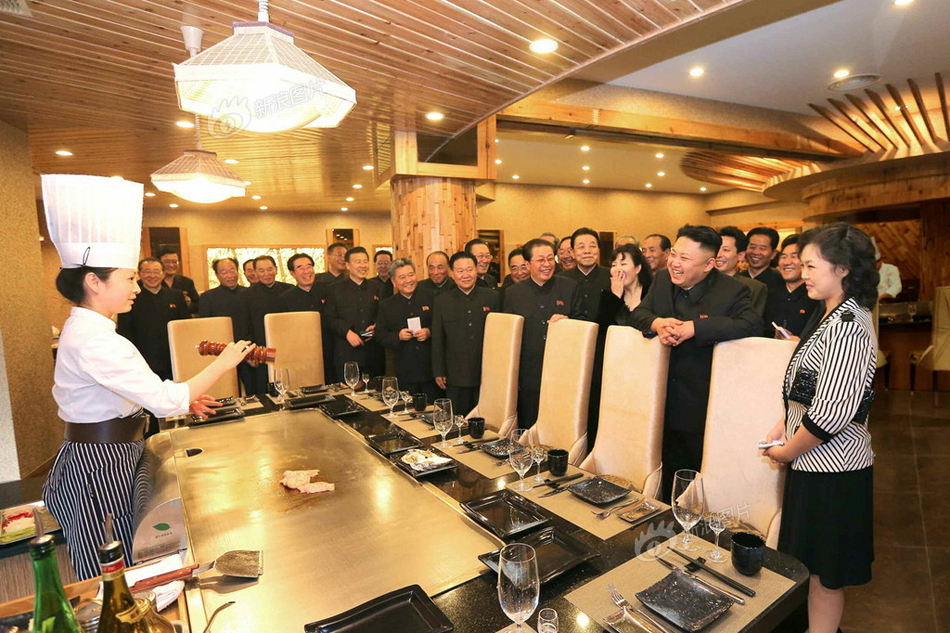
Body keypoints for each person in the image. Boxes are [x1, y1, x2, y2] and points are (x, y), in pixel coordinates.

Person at [40, 174, 253, 580]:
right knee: (109, 569)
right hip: (99, 464)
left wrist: (184, 398)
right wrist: (224, 362)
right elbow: (164, 401)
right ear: (93, 281)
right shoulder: (94, 338)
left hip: (113, 452)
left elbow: (127, 394)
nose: (136, 287)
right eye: (129, 278)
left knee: (126, 552)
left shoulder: (94, 329)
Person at [763, 223, 878, 633]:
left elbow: (831, 413)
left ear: (843, 269)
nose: (803, 273)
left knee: (826, 575)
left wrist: (785, 451)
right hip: (812, 463)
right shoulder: (828, 312)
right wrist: (784, 424)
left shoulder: (848, 325)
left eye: (812, 266)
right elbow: (809, 388)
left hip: (834, 471)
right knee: (810, 568)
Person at [630, 225, 762, 499]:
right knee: (661, 468)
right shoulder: (662, 279)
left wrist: (696, 328)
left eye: (685, 258)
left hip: (700, 401)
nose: (675, 263)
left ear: (709, 264)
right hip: (659, 396)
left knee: (696, 476)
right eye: (674, 254)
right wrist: (657, 323)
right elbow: (640, 313)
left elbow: (751, 324)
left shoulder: (732, 290)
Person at [503, 238, 584, 428]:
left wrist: (568, 322)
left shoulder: (569, 287)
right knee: (529, 425)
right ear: (528, 264)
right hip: (528, 373)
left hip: (562, 371)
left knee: (561, 425)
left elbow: (583, 323)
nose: (547, 264)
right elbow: (508, 337)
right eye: (540, 260)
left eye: (550, 258)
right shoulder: (513, 293)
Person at [587, 244, 651, 448]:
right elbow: (600, 331)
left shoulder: (652, 293)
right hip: (614, 370)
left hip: (645, 370)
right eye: (614, 264)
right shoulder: (609, 296)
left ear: (638, 268)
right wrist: (615, 295)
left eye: (623, 263)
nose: (617, 269)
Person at [432, 252, 501, 417]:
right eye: (460, 271)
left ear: (476, 270)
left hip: (486, 373)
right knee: (458, 419)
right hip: (455, 374)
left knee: (487, 420)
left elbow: (500, 337)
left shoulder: (492, 297)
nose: (465, 275)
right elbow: (438, 339)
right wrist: (438, 370)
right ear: (452, 273)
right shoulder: (442, 300)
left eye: (469, 270)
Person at [116, 257, 191, 380]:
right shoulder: (130, 298)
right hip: (142, 363)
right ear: (140, 274)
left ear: (163, 274)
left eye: (156, 272)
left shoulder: (176, 296)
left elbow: (185, 328)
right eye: (147, 271)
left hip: (173, 360)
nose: (152, 276)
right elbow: (125, 332)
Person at [375, 258, 437, 400]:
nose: (408, 280)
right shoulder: (387, 305)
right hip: (404, 371)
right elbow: (380, 335)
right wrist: (398, 336)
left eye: (411, 275)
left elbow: (442, 327)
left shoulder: (432, 298)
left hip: (431, 370)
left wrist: (429, 332)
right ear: (394, 281)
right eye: (402, 277)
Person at [324, 246, 384, 379]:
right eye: (358, 262)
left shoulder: (377, 287)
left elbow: (383, 314)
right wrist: (347, 332)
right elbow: (329, 318)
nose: (363, 265)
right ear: (348, 265)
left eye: (365, 261)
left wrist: (376, 326)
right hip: (346, 352)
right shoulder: (334, 289)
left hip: (372, 352)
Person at [241, 255, 294, 394]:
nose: (266, 274)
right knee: (264, 389)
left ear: (276, 269)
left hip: (286, 347)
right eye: (261, 270)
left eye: (270, 269)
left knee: (289, 385)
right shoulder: (246, 295)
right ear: (255, 272)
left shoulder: (289, 290)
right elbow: (244, 326)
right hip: (261, 349)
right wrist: (249, 352)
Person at [764, 234, 820, 339]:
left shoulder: (817, 298)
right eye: (783, 257)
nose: (787, 262)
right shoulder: (770, 294)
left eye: (794, 256)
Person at [560, 227, 610, 322]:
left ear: (599, 249)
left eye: (592, 246)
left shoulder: (612, 276)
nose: (587, 251)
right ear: (572, 252)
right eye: (581, 247)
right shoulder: (561, 279)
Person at [716, 226, 768, 317]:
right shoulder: (699, 282)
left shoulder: (753, 287)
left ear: (740, 255)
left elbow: (752, 321)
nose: (718, 255)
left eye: (726, 250)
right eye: (716, 249)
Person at [740, 227, 784, 293]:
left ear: (773, 254)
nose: (756, 252)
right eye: (752, 247)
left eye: (762, 248)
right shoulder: (736, 280)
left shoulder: (781, 282)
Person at [158, 249, 199, 314]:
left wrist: (189, 304)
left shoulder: (187, 282)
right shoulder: (153, 282)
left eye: (175, 262)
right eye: (167, 262)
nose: (171, 265)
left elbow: (197, 307)